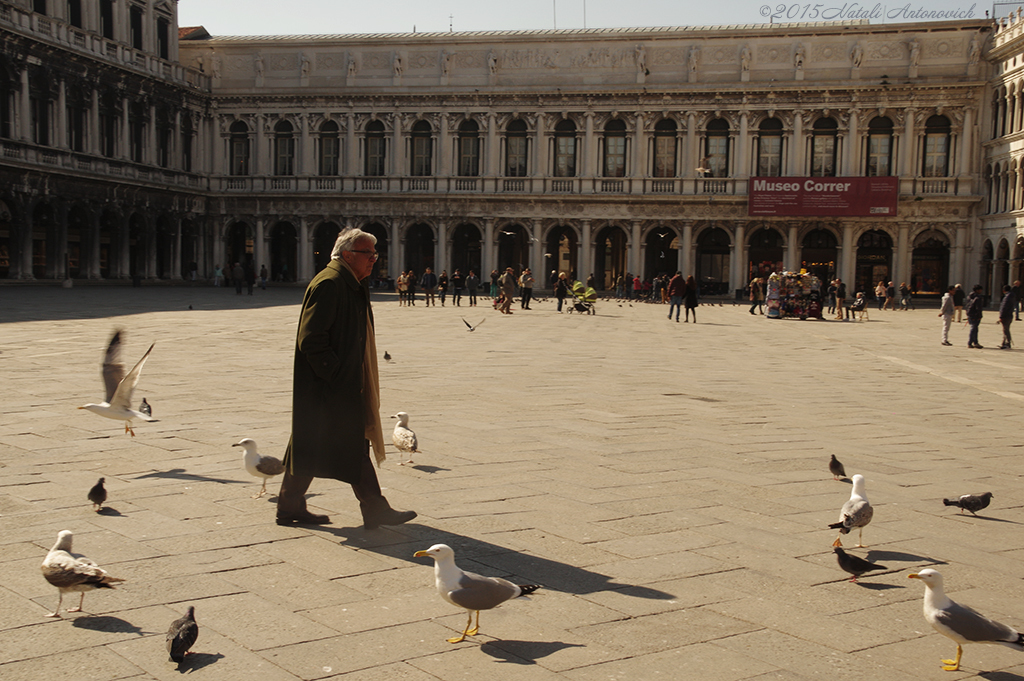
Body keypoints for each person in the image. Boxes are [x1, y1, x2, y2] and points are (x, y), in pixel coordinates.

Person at [277, 228, 416, 530]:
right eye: (369, 254)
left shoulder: (348, 281)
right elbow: (311, 339)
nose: (374, 260)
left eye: (375, 255)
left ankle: (289, 507)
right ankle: (375, 507)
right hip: (330, 386)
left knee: (308, 443)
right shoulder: (330, 283)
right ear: (348, 255)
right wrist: (337, 375)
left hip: (332, 385)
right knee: (351, 443)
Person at [966, 284, 985, 348]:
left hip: (970, 314)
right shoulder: (978, 298)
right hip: (975, 315)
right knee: (974, 328)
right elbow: (978, 308)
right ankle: (970, 342)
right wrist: (979, 316)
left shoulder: (969, 296)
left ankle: (975, 342)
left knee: (974, 328)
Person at [999, 283, 1016, 349]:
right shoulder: (1012, 296)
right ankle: (1004, 342)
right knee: (1006, 329)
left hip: (1006, 316)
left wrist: (1001, 316)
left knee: (1006, 330)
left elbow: (1004, 307)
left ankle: (1007, 343)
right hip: (1009, 315)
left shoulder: (1007, 297)